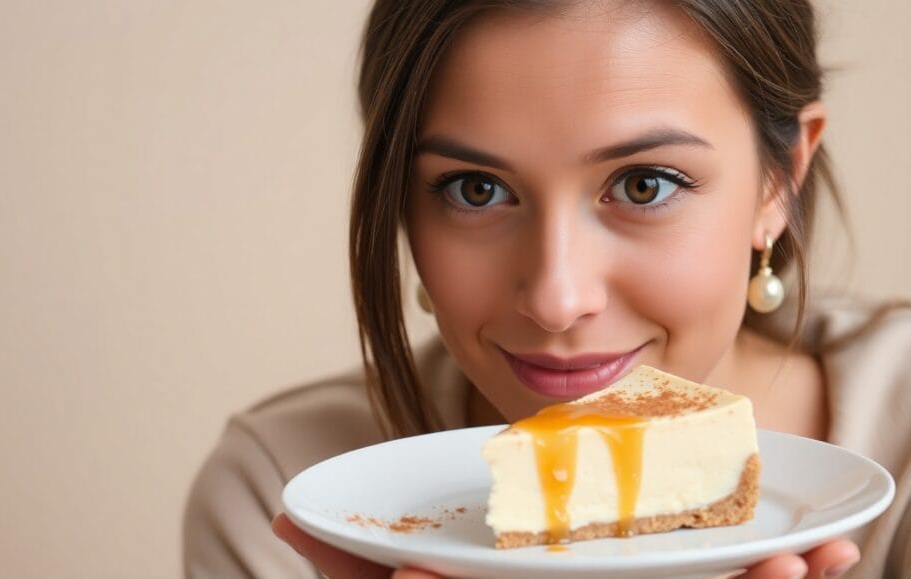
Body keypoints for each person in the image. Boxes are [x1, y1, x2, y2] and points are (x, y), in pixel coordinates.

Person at [183, 1, 911, 577]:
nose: (558, 298)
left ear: (779, 179)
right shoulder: (283, 492)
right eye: (476, 189)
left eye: (643, 184)